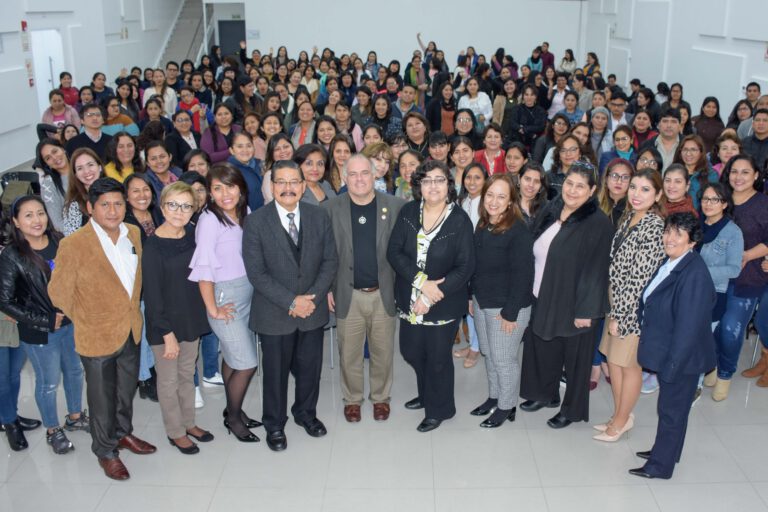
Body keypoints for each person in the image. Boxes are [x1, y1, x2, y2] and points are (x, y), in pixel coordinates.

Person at [49, 178, 156, 481]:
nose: (113, 210)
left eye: (118, 204)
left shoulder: (132, 232)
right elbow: (58, 293)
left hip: (131, 328)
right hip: (95, 334)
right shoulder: (74, 244)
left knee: (125, 391)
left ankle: (122, 433)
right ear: (90, 208)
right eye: (105, 205)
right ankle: (105, 450)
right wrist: (87, 317)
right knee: (101, 398)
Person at [242, 160, 338, 451]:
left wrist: (313, 298)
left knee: (310, 369)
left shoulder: (318, 216)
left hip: (312, 309)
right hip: (274, 312)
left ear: (302, 184)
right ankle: (274, 424)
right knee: (275, 373)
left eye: (293, 181)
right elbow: (256, 272)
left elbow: (330, 261)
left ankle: (306, 414)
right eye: (280, 182)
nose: (287, 188)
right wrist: (290, 301)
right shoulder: (256, 221)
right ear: (272, 186)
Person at [519, 164, 613, 429]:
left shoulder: (598, 223)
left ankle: (571, 410)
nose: (572, 190)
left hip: (575, 303)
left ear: (593, 190)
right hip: (542, 292)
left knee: (575, 361)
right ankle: (544, 394)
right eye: (570, 183)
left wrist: (586, 311)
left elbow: (597, 271)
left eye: (580, 186)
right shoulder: (553, 207)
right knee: (543, 348)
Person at [386, 160, 475, 432]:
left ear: (448, 185)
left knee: (437, 358)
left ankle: (440, 408)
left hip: (444, 302)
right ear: (419, 186)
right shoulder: (409, 212)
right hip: (410, 298)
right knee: (412, 351)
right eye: (427, 180)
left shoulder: (459, 219)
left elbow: (465, 267)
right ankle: (426, 394)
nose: (433, 186)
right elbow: (394, 252)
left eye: (439, 180)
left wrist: (432, 294)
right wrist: (421, 283)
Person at [629, 213, 716, 480]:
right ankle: (665, 452)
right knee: (673, 409)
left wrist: (673, 366)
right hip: (672, 351)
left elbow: (688, 329)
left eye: (678, 234)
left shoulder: (694, 275)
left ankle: (660, 467)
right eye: (668, 231)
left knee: (671, 411)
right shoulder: (673, 262)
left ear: (692, 242)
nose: (670, 238)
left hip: (683, 358)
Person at [0, 196, 89, 454]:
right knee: (48, 382)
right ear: (16, 221)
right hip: (39, 331)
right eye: (28, 215)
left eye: (40, 213)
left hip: (71, 324)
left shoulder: (61, 241)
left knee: (74, 371)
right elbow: (5, 301)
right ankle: (53, 429)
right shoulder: (12, 255)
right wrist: (46, 320)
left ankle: (74, 416)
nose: (37, 220)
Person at [323, 155, 405, 422]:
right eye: (353, 174)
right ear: (345, 178)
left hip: (384, 294)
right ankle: (352, 399)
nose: (359, 179)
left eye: (365, 173)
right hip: (348, 293)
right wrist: (327, 288)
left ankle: (381, 398)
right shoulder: (330, 208)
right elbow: (324, 254)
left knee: (383, 352)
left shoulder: (395, 206)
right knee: (349, 353)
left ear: (374, 176)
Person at [188, 163, 262, 440]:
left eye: (229, 186)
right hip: (224, 296)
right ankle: (233, 418)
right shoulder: (210, 220)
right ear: (209, 193)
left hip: (245, 293)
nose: (224, 193)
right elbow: (204, 270)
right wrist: (213, 309)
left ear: (240, 188)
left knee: (233, 357)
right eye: (217, 188)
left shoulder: (244, 212)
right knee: (246, 363)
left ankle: (234, 410)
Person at [594, 168, 665, 442]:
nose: (636, 194)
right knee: (613, 362)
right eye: (633, 187)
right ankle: (620, 415)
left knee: (628, 366)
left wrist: (621, 316)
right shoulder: (629, 217)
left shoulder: (654, 226)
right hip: (617, 301)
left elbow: (639, 279)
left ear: (657, 194)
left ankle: (622, 421)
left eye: (645, 189)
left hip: (632, 309)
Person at [142, 182, 213, 454]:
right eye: (173, 205)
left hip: (190, 318)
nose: (179, 211)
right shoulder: (153, 247)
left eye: (186, 206)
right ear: (162, 207)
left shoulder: (192, 234)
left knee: (188, 374)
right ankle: (175, 431)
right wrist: (166, 334)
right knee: (169, 381)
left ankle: (189, 423)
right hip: (165, 326)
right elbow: (153, 296)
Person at [469, 174, 534, 427]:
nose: (494, 201)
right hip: (483, 301)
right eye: (490, 195)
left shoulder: (518, 229)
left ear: (511, 202)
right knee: (489, 354)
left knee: (504, 359)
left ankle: (507, 407)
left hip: (507, 307)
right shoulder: (484, 223)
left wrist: (511, 313)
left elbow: (524, 274)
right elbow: (477, 265)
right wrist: (471, 298)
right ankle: (495, 397)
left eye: (501, 196)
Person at [712, 154, 768, 400]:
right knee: (711, 328)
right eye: (735, 171)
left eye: (746, 172)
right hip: (715, 277)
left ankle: (725, 372)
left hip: (748, 277)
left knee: (730, 329)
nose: (739, 177)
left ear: (756, 175)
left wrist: (745, 255)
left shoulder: (763, 204)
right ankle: (711, 367)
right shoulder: (719, 199)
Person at [698, 183, 743, 395]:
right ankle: (705, 372)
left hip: (714, 293)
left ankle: (696, 383)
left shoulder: (733, 232)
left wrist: (700, 271)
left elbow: (734, 269)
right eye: (705, 199)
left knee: (701, 339)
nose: (708, 204)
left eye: (714, 199)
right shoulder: (697, 225)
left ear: (724, 203)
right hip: (690, 291)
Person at [453, 163, 487, 368]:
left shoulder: (486, 203)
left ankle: (476, 348)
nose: (472, 182)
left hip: (479, 262)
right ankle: (473, 343)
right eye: (468, 177)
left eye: (477, 178)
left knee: (476, 305)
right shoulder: (463, 200)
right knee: (468, 305)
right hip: (463, 260)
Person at [63, 148, 104, 236]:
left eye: (90, 165)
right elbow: (72, 238)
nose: (87, 171)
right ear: (76, 174)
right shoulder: (73, 204)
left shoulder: (115, 192)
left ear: (100, 167)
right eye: (80, 168)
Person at [673, 134, 717, 210]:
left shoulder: (711, 175)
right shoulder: (673, 172)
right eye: (685, 149)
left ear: (701, 152)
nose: (688, 153)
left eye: (693, 150)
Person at [227, 132, 265, 211]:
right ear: (231, 150)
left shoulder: (260, 165)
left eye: (249, 146)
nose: (245, 150)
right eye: (240, 146)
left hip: (265, 213)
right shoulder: (229, 171)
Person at [518, 162, 549, 226]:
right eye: (527, 179)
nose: (531, 185)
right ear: (519, 178)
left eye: (537, 181)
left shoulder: (547, 208)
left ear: (541, 185)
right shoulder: (508, 203)